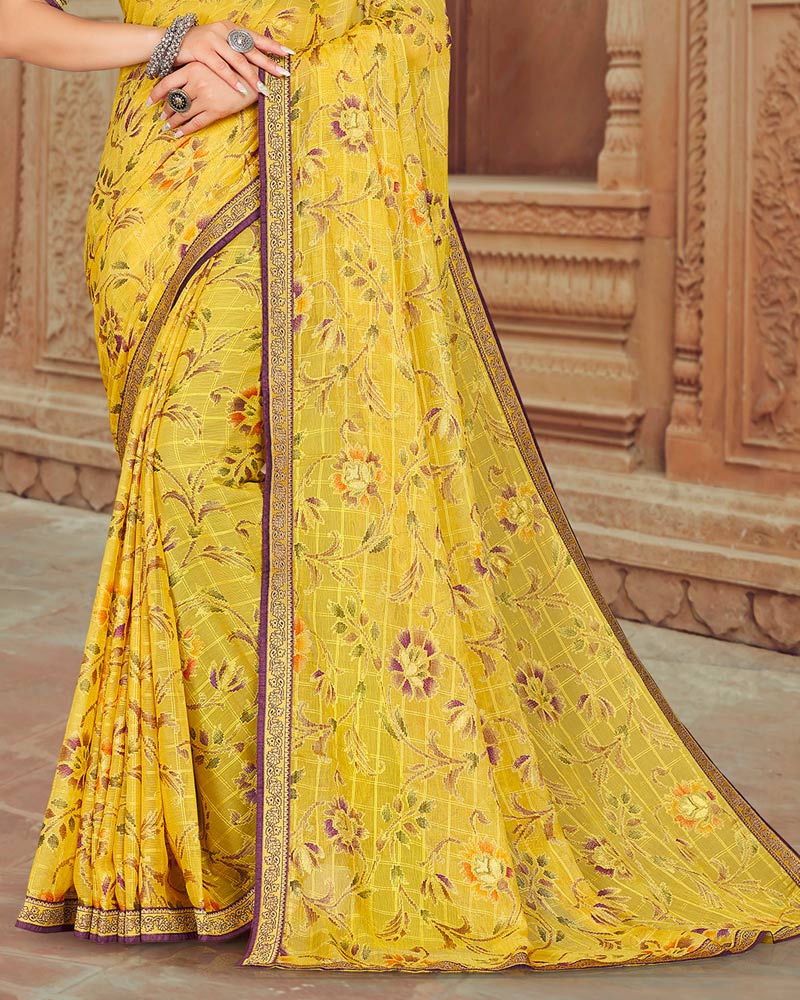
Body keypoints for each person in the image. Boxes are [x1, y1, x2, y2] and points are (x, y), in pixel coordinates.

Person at [4, 0, 800, 973]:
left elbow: (407, 24)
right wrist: (169, 41)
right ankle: (202, 857)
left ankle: (299, 843)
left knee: (270, 525)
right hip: (157, 206)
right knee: (185, 524)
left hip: (284, 194)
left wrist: (270, 75)